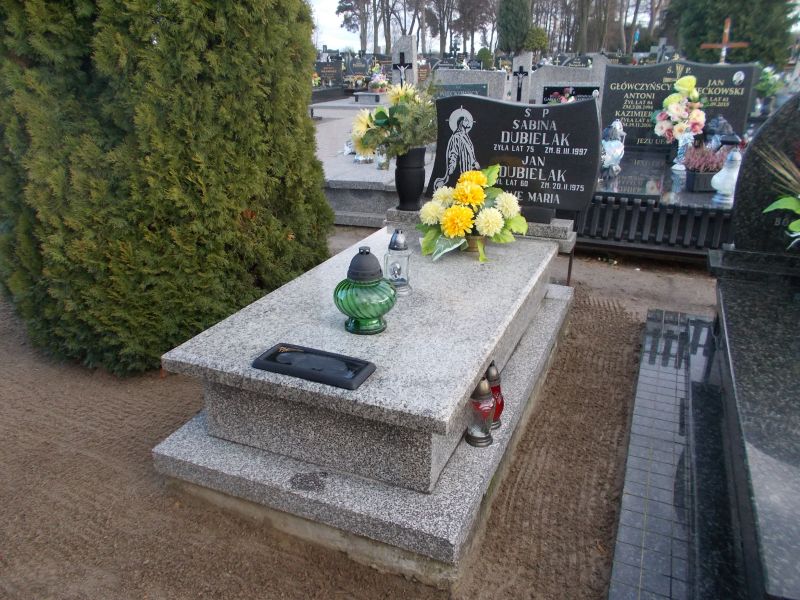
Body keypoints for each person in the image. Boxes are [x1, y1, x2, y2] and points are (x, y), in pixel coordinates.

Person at [433, 108, 480, 190]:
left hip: (469, 167)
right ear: (461, 123)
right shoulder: (456, 137)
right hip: (461, 167)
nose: (468, 122)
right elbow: (453, 153)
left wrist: (474, 162)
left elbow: (470, 151)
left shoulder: (466, 136)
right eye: (466, 120)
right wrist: (451, 166)